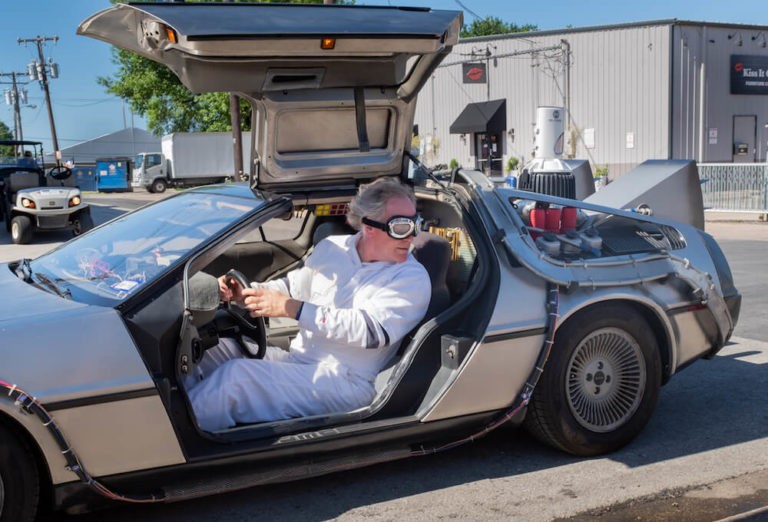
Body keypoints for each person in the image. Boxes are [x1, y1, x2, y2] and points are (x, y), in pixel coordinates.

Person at [188, 178, 432, 431]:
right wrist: (247, 292)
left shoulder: (410, 278)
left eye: (416, 224)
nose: (412, 236)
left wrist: (292, 308)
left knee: (236, 378)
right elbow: (293, 287)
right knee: (208, 350)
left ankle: (171, 448)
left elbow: (370, 332)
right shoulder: (332, 248)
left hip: (345, 381)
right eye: (401, 226)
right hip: (298, 361)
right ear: (369, 226)